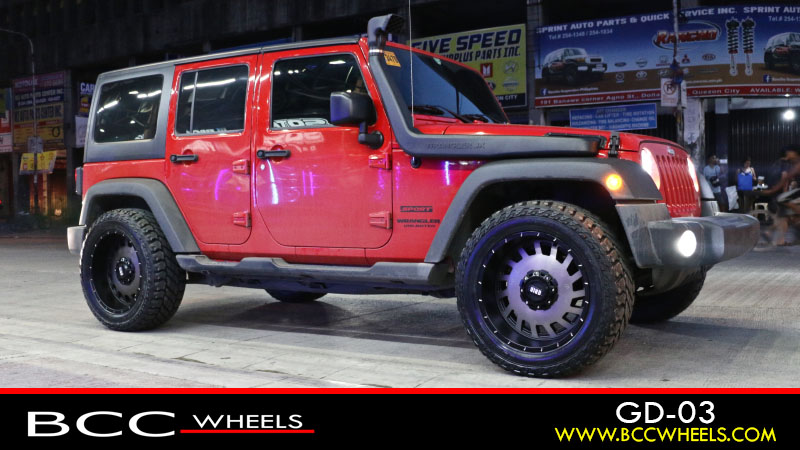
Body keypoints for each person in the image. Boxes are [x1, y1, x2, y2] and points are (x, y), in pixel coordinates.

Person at [761, 145, 800, 246]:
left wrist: (771, 191)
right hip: (783, 194)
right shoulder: (788, 163)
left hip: (782, 194)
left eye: (789, 153)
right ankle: (776, 237)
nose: (787, 155)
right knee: (784, 215)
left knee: (782, 204)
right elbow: (786, 178)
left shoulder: (791, 164)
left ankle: (772, 234)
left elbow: (786, 178)